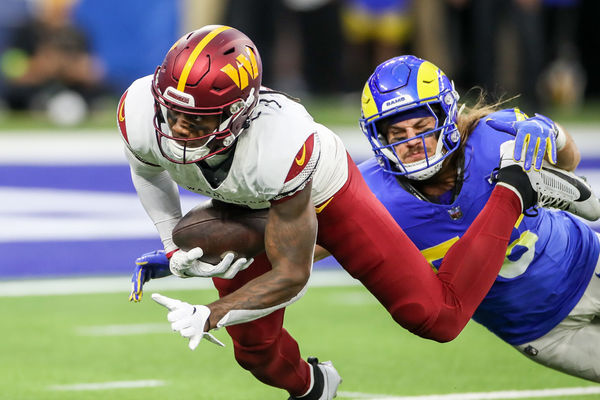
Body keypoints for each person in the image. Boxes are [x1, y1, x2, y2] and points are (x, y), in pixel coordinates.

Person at [119, 26, 580, 399]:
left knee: (433, 316)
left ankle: (514, 190)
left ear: (241, 113)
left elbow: (292, 274)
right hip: (246, 206)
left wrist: (214, 311)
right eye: (171, 112)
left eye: (199, 119)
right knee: (255, 353)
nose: (178, 129)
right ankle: (315, 388)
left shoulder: (283, 146)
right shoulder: (140, 111)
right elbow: (148, 169)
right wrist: (170, 241)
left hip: (317, 195)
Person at [355, 55, 600, 382]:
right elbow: (306, 239)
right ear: (380, 138)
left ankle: (527, 187)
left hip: (588, 263)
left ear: (446, 117)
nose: (411, 141)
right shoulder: (370, 196)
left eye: (422, 127)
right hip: (541, 332)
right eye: (397, 132)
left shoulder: (494, 136)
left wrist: (551, 132)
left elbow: (570, 160)